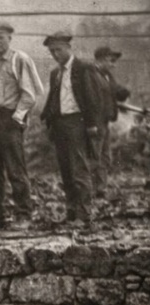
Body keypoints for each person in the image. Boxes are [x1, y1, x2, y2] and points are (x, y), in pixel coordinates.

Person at [0, 21, 43, 232]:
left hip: (8, 119)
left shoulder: (18, 59)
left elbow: (30, 93)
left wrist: (17, 117)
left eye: (0, 37)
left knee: (15, 169)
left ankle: (23, 215)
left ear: (9, 38)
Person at [41, 32, 105, 228]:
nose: (55, 54)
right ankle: (71, 210)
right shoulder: (56, 73)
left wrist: (92, 124)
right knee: (66, 170)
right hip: (60, 124)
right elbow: (54, 98)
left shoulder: (83, 68)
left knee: (79, 168)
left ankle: (84, 214)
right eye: (52, 51)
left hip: (78, 123)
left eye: (58, 49)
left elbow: (94, 98)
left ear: (69, 48)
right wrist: (49, 120)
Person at [93, 46, 131, 197]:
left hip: (105, 121)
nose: (113, 64)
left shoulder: (107, 75)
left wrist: (124, 91)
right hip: (95, 122)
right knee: (95, 156)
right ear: (101, 59)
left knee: (104, 156)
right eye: (111, 61)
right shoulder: (92, 75)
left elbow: (116, 90)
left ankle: (100, 189)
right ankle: (90, 189)